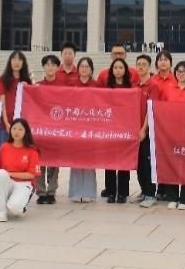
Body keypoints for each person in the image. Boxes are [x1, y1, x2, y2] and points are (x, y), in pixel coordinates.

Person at [160, 60, 185, 210]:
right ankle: (172, 196)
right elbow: (161, 108)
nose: (181, 74)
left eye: (184, 71)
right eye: (178, 71)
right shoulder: (168, 88)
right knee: (171, 165)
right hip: (170, 133)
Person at [0, 118, 41, 222]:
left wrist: (10, 174)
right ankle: (2, 211)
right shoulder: (4, 147)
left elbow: (31, 175)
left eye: (20, 129)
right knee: (1, 174)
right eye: (14, 128)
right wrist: (6, 175)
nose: (16, 132)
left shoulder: (32, 150)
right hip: (7, 182)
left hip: (24, 184)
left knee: (15, 209)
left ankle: (18, 206)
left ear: (26, 132)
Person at [68, 57, 99, 203]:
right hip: (75, 126)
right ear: (78, 68)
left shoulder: (96, 85)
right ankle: (75, 192)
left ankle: (89, 193)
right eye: (82, 66)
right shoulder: (72, 84)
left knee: (89, 160)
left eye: (87, 67)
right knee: (75, 160)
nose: (84, 69)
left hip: (91, 127)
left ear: (91, 69)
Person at [103, 57, 132, 204]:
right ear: (111, 70)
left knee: (124, 162)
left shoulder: (131, 88)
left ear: (125, 70)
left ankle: (122, 193)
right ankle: (110, 191)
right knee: (109, 162)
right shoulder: (107, 88)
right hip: (109, 128)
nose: (118, 70)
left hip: (125, 128)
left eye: (121, 67)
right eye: (115, 68)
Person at [35, 55, 61, 204]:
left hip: (56, 130)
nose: (50, 67)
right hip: (40, 130)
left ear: (57, 67)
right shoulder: (37, 86)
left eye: (53, 65)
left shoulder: (63, 87)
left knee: (53, 163)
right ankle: (40, 192)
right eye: (47, 64)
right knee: (39, 162)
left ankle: (51, 191)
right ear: (43, 67)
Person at [133, 54, 159, 207]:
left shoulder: (153, 85)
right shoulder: (134, 85)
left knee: (148, 163)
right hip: (134, 131)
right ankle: (143, 191)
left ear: (149, 67)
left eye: (144, 64)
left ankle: (150, 194)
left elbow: (151, 109)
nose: (141, 67)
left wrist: (143, 129)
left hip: (147, 132)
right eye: (139, 64)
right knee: (139, 163)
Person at [0, 50, 32, 145]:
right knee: (4, 150)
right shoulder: (3, 79)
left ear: (23, 63)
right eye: (14, 59)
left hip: (22, 124)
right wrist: (6, 123)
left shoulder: (27, 81)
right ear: (10, 62)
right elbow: (2, 102)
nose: (17, 62)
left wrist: (28, 87)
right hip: (5, 124)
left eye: (20, 60)